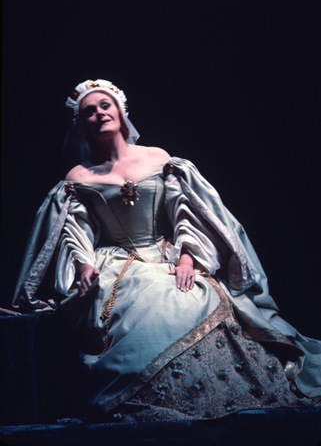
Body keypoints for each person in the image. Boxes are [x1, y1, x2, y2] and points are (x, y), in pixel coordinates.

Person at [13, 79, 321, 421]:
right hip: (117, 264)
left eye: (104, 106)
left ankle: (219, 393)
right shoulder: (80, 176)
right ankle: (153, 394)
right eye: (89, 112)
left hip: (167, 255)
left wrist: (188, 257)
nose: (99, 114)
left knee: (194, 294)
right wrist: (84, 266)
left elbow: (184, 214)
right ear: (80, 125)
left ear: (120, 109)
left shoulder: (159, 158)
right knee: (155, 296)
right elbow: (76, 229)